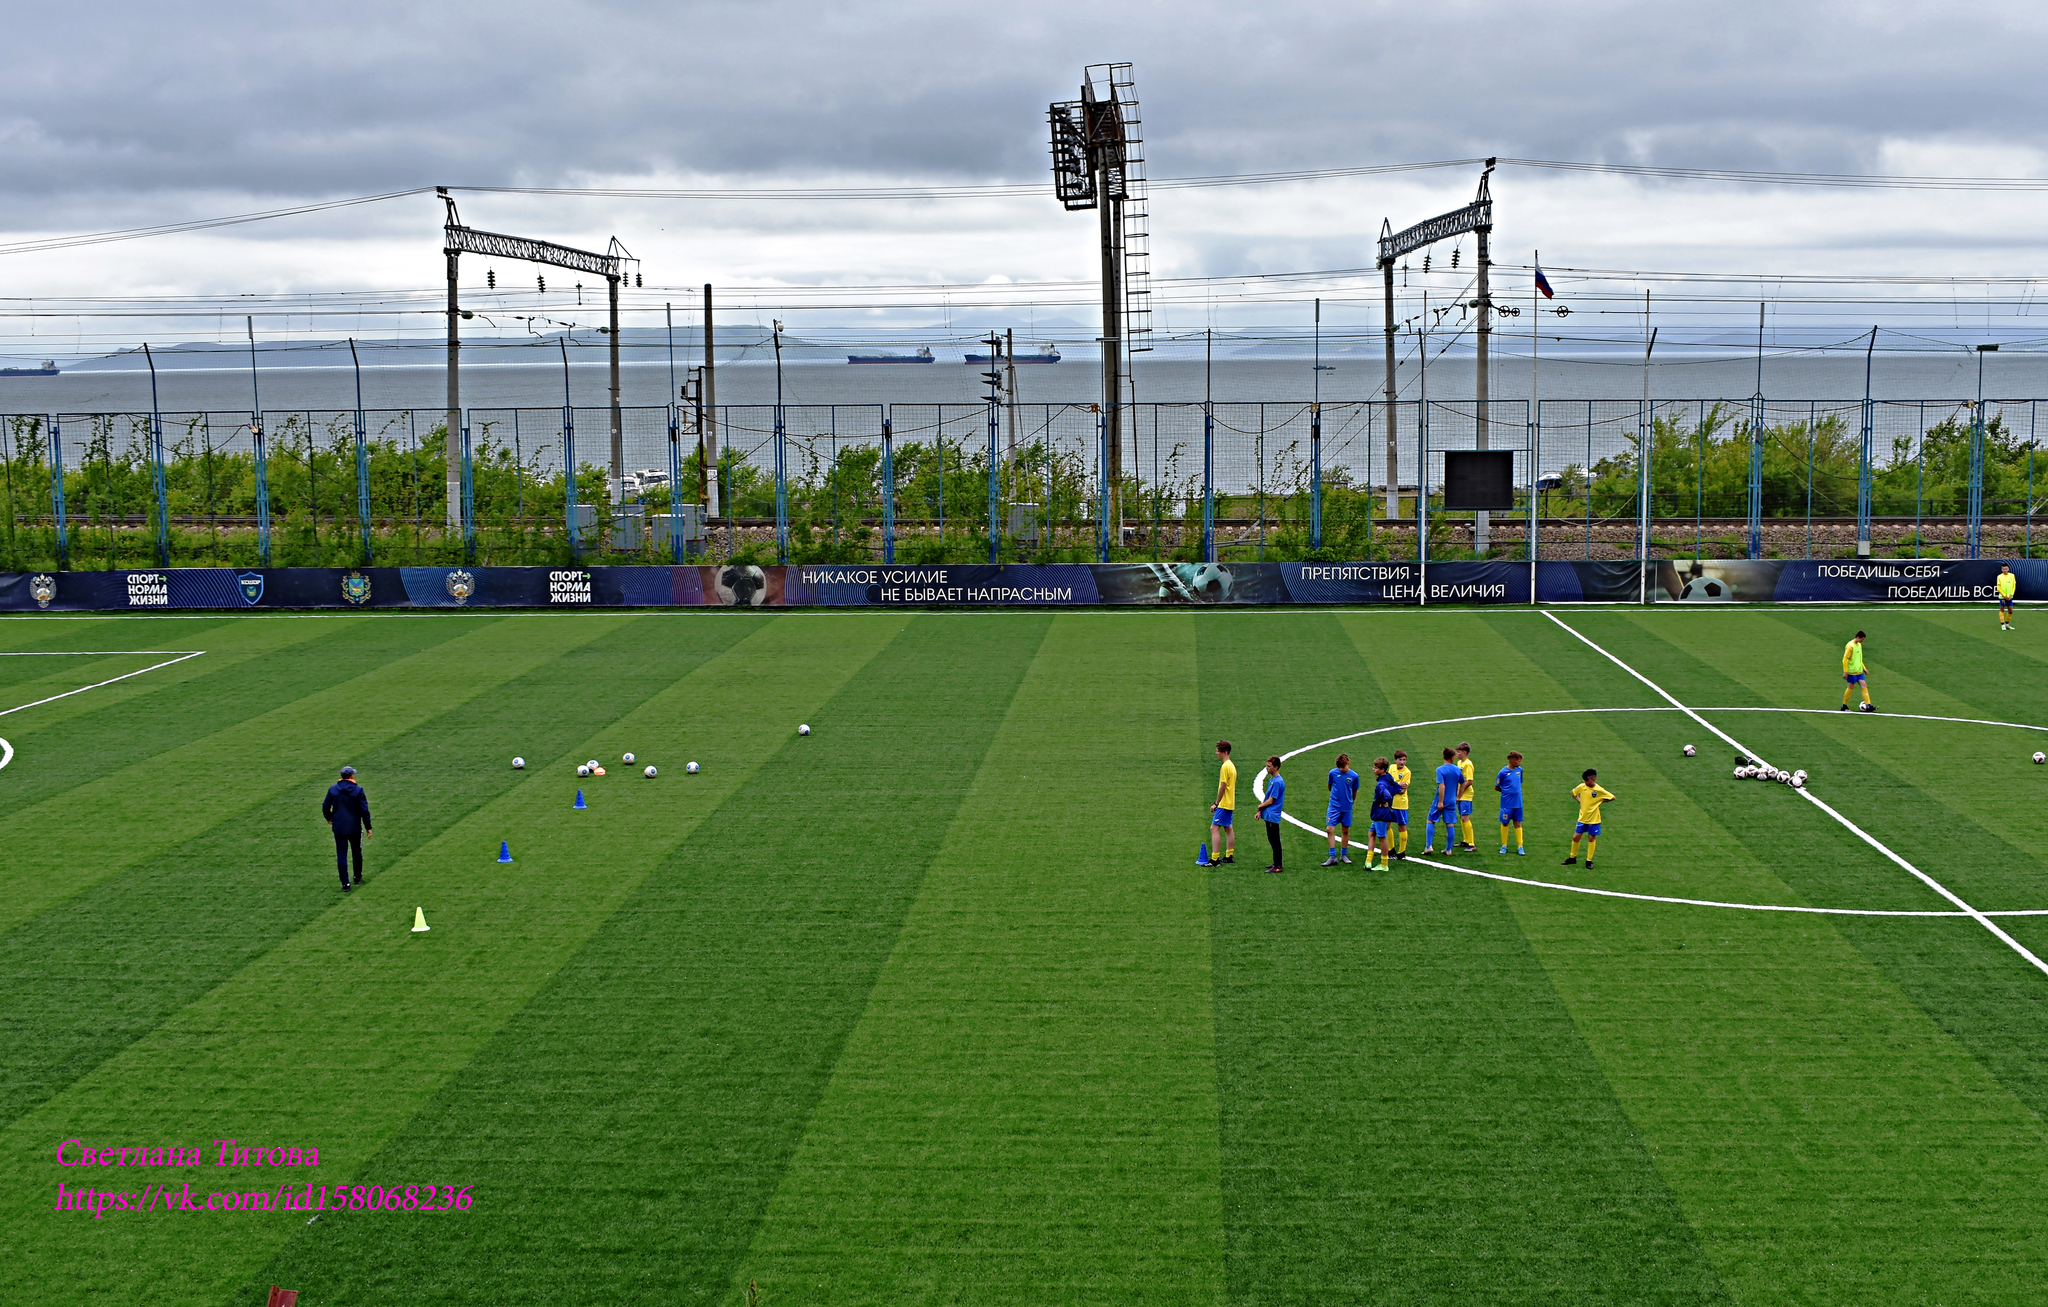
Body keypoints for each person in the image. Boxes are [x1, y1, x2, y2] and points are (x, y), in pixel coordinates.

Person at [322, 765, 372, 892]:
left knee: (341, 854)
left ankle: (345, 884)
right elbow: (364, 810)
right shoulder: (358, 790)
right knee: (356, 851)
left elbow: (325, 806)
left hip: (339, 827)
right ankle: (357, 877)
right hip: (354, 827)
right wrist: (368, 826)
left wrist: (329, 818)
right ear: (351, 776)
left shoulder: (333, 790)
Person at [1562, 768, 1615, 870]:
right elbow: (1573, 793)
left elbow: (1612, 797)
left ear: (1593, 779)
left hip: (1594, 819)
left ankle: (1589, 861)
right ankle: (1573, 857)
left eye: (1587, 780)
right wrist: (1580, 801)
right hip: (1582, 818)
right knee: (1576, 838)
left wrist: (1598, 802)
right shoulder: (1582, 787)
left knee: (1591, 838)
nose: (1585, 782)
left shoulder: (1599, 790)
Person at [1366, 757, 1404, 870]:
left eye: (1376, 768)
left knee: (1382, 838)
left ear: (1382, 769)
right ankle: (1368, 861)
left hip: (1380, 813)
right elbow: (1398, 788)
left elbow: (1386, 794)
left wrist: (1384, 801)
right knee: (1371, 833)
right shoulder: (1389, 777)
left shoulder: (1381, 784)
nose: (1373, 769)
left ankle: (1384, 864)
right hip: (1384, 813)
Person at [1323, 752, 1360, 866]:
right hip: (1334, 806)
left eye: (1343, 766)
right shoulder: (1333, 773)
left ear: (1348, 763)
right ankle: (1332, 856)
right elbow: (1330, 786)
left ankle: (1344, 855)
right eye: (1339, 767)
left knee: (1345, 830)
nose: (1341, 769)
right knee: (1329, 829)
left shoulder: (1354, 776)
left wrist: (1350, 802)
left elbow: (1354, 791)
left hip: (1346, 807)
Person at [1425, 747, 1463, 855]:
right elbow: (1463, 783)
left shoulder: (1440, 770)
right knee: (1449, 824)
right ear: (1453, 757)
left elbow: (1442, 786)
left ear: (1443, 756)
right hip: (1452, 800)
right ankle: (1448, 849)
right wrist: (1458, 796)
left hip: (1440, 800)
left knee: (1430, 820)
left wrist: (1440, 802)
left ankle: (1428, 846)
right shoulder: (1457, 769)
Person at [1255, 755, 1286, 874]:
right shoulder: (1272, 780)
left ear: (1276, 767)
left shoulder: (1278, 782)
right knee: (1271, 839)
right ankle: (1275, 862)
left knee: (1275, 841)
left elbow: (1271, 800)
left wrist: (1260, 806)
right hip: (1268, 814)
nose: (1267, 768)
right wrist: (1260, 811)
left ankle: (1278, 865)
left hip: (1273, 815)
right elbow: (1267, 797)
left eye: (1269, 766)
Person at [1209, 741, 1237, 865]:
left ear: (1224, 752)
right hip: (1230, 802)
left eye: (1218, 750)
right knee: (1228, 827)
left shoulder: (1225, 766)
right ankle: (1229, 855)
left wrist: (1216, 803)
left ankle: (1215, 859)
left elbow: (1223, 786)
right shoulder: (1231, 765)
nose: (1216, 753)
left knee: (1214, 828)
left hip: (1224, 803)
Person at [1496, 750, 1526, 855]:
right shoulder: (1503, 772)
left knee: (1518, 823)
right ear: (1512, 760)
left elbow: (1519, 783)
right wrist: (1506, 792)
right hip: (1506, 803)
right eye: (1518, 760)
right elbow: (1497, 786)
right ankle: (1504, 845)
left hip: (1518, 803)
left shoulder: (1519, 770)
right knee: (1505, 823)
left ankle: (1520, 846)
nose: (1520, 762)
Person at [1840, 630, 1875, 711]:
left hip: (1859, 671)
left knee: (1864, 686)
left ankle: (1868, 705)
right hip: (1851, 672)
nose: (1863, 641)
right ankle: (1844, 706)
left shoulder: (1859, 645)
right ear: (1858, 637)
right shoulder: (1850, 646)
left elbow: (1859, 659)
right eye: (1862, 639)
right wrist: (1845, 671)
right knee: (1850, 688)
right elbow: (1845, 659)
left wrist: (1864, 668)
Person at [1455, 742, 1479, 852]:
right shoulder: (1459, 762)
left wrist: (1460, 793)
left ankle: (1472, 843)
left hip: (1466, 794)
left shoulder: (1468, 764)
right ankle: (1465, 840)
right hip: (1460, 793)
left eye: (1459, 752)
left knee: (1465, 817)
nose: (1457, 754)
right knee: (1462, 816)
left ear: (1465, 753)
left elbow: (1469, 781)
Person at [1388, 750, 1412, 860]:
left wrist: (1393, 786)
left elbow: (1402, 791)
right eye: (1400, 760)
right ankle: (1390, 849)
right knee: (1387, 825)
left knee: (1401, 826)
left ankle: (1402, 852)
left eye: (1404, 760)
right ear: (1395, 760)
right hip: (1389, 802)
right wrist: (1397, 785)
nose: (1402, 762)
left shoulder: (1407, 772)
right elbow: (1388, 785)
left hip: (1400, 803)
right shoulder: (1391, 768)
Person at [1998, 564, 2017, 630]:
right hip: (2003, 597)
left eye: (2006, 569)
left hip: (2010, 596)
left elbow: (2014, 586)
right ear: (2001, 569)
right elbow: (1998, 587)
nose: (2005, 570)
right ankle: (2002, 624)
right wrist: (2004, 595)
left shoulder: (2012, 576)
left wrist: (2012, 594)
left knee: (2011, 610)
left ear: (2008, 569)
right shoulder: (1999, 577)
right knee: (2002, 609)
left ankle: (2007, 624)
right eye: (2003, 569)